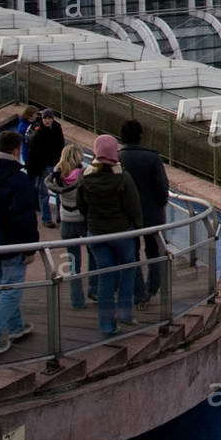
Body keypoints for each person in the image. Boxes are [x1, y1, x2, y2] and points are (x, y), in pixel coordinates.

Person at [0, 130, 40, 358]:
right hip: (11, 243)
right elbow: (25, 217)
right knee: (11, 291)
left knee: (5, 285)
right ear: (15, 150)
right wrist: (30, 248)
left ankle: (16, 327)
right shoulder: (19, 179)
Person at [77, 135, 143, 337]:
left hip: (96, 234)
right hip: (121, 233)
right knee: (128, 270)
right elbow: (134, 207)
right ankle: (125, 313)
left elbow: (82, 206)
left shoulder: (85, 177)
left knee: (105, 277)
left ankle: (107, 325)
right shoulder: (123, 178)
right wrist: (138, 230)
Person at [118, 119, 169, 309]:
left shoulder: (118, 158)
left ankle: (138, 293)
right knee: (154, 251)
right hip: (152, 214)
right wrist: (159, 203)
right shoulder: (152, 158)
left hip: (127, 216)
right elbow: (162, 188)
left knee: (131, 254)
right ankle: (152, 288)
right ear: (140, 135)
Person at [46, 145, 88, 309]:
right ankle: (94, 289)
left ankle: (77, 300)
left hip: (66, 220)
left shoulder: (57, 176)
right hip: (82, 220)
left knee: (73, 264)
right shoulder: (84, 174)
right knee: (94, 254)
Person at [27, 108, 66, 227]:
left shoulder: (56, 129)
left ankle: (59, 216)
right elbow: (33, 150)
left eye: (49, 118)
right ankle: (46, 218)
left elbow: (61, 145)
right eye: (45, 118)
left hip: (55, 163)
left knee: (58, 191)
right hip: (45, 165)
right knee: (44, 191)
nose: (47, 120)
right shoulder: (38, 131)